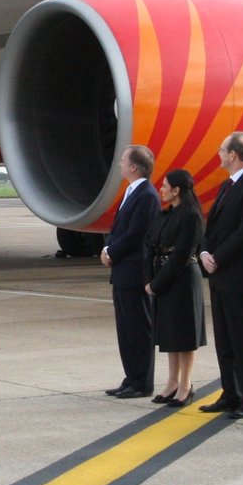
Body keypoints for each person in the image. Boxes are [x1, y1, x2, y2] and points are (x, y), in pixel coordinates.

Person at [199, 131, 243, 420]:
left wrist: (218, 257)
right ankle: (231, 392)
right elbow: (213, 226)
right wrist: (204, 251)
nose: (218, 154)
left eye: (222, 150)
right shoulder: (228, 186)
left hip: (239, 274)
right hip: (220, 274)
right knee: (225, 337)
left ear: (233, 155)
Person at [100, 145, 161, 399]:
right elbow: (119, 229)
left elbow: (136, 234)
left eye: (124, 160)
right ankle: (131, 377)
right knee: (125, 329)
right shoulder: (131, 191)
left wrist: (111, 252)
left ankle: (142, 382)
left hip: (135, 271)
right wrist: (107, 247)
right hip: (123, 271)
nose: (120, 164)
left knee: (138, 327)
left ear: (134, 167)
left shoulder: (147, 194)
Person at [145, 168, 206, 406]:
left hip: (182, 280)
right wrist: (151, 279)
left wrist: (156, 284)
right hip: (165, 277)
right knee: (170, 334)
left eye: (165, 185)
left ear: (177, 190)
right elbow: (154, 245)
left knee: (184, 335)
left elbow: (181, 255)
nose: (161, 189)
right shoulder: (169, 213)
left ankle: (185, 384)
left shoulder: (190, 215)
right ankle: (171, 382)